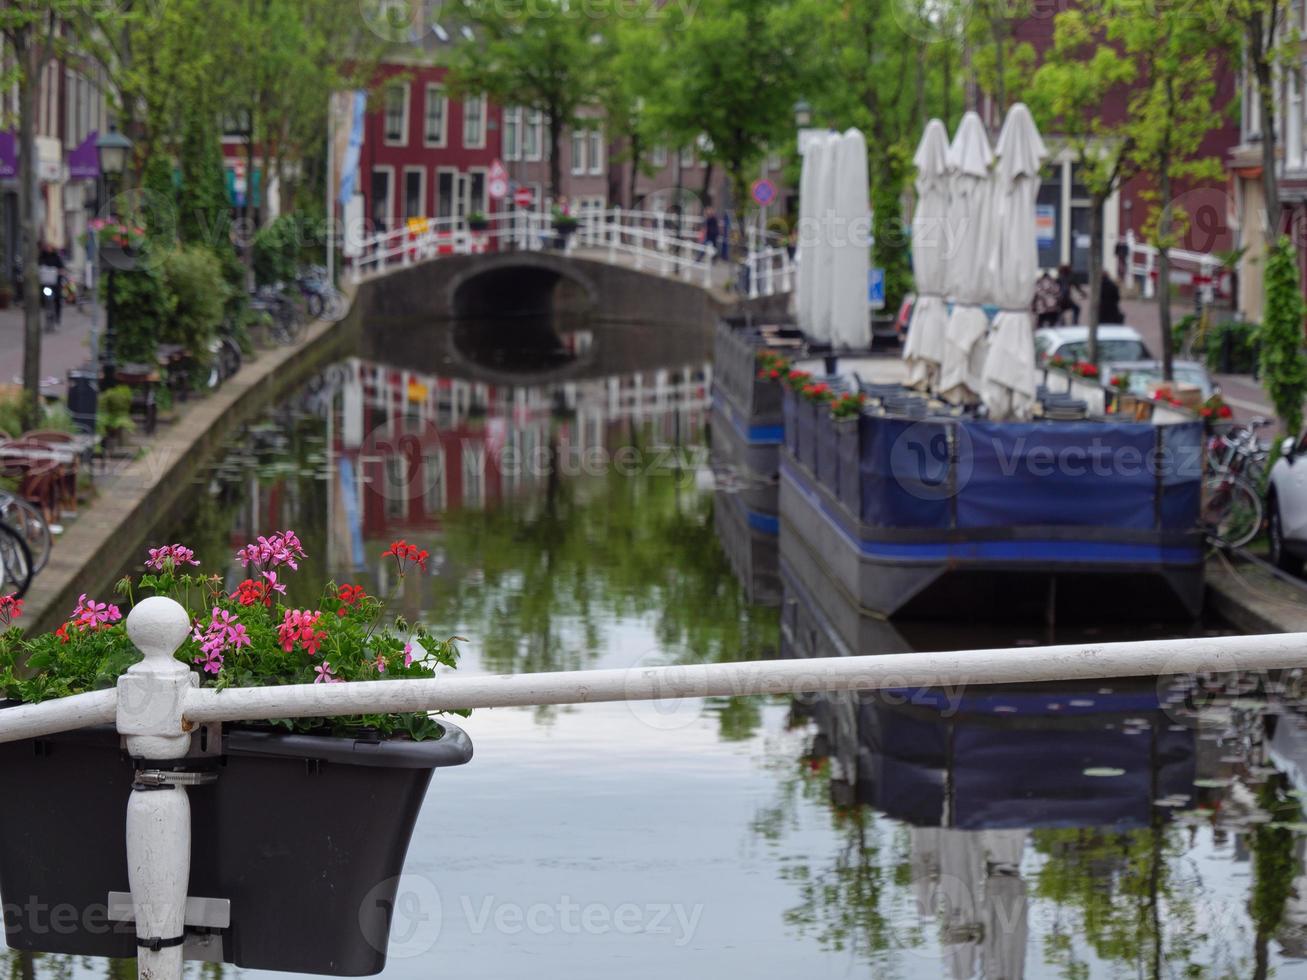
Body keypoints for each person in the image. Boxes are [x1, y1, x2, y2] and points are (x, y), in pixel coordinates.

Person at [38, 241, 65, 325]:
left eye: (49, 246)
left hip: (55, 284)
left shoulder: (56, 257)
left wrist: (60, 272)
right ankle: (46, 312)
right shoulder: (41, 257)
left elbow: (62, 268)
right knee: (43, 297)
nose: (48, 248)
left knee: (57, 299)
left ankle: (57, 317)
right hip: (45, 283)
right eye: (46, 246)